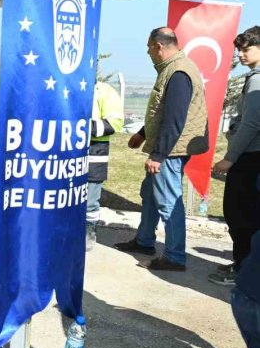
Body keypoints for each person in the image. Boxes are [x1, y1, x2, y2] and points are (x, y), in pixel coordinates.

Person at [114, 26, 209, 271]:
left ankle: (174, 257)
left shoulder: (178, 71)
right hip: (167, 146)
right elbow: (162, 110)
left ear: (159, 46)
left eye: (149, 47)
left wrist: (158, 155)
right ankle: (144, 241)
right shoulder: (171, 69)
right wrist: (143, 133)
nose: (147, 52)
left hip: (171, 151)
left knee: (168, 202)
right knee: (150, 194)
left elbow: (175, 118)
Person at [212, 26, 260, 285]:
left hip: (250, 156)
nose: (241, 54)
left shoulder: (256, 80)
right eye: (239, 49)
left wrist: (230, 157)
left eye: (246, 49)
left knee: (240, 213)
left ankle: (243, 270)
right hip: (252, 155)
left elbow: (251, 124)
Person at [86, 80, 125, 251]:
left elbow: (116, 123)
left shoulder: (104, 91)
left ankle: (88, 232)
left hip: (94, 154)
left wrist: (83, 127)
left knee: (90, 201)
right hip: (66, 155)